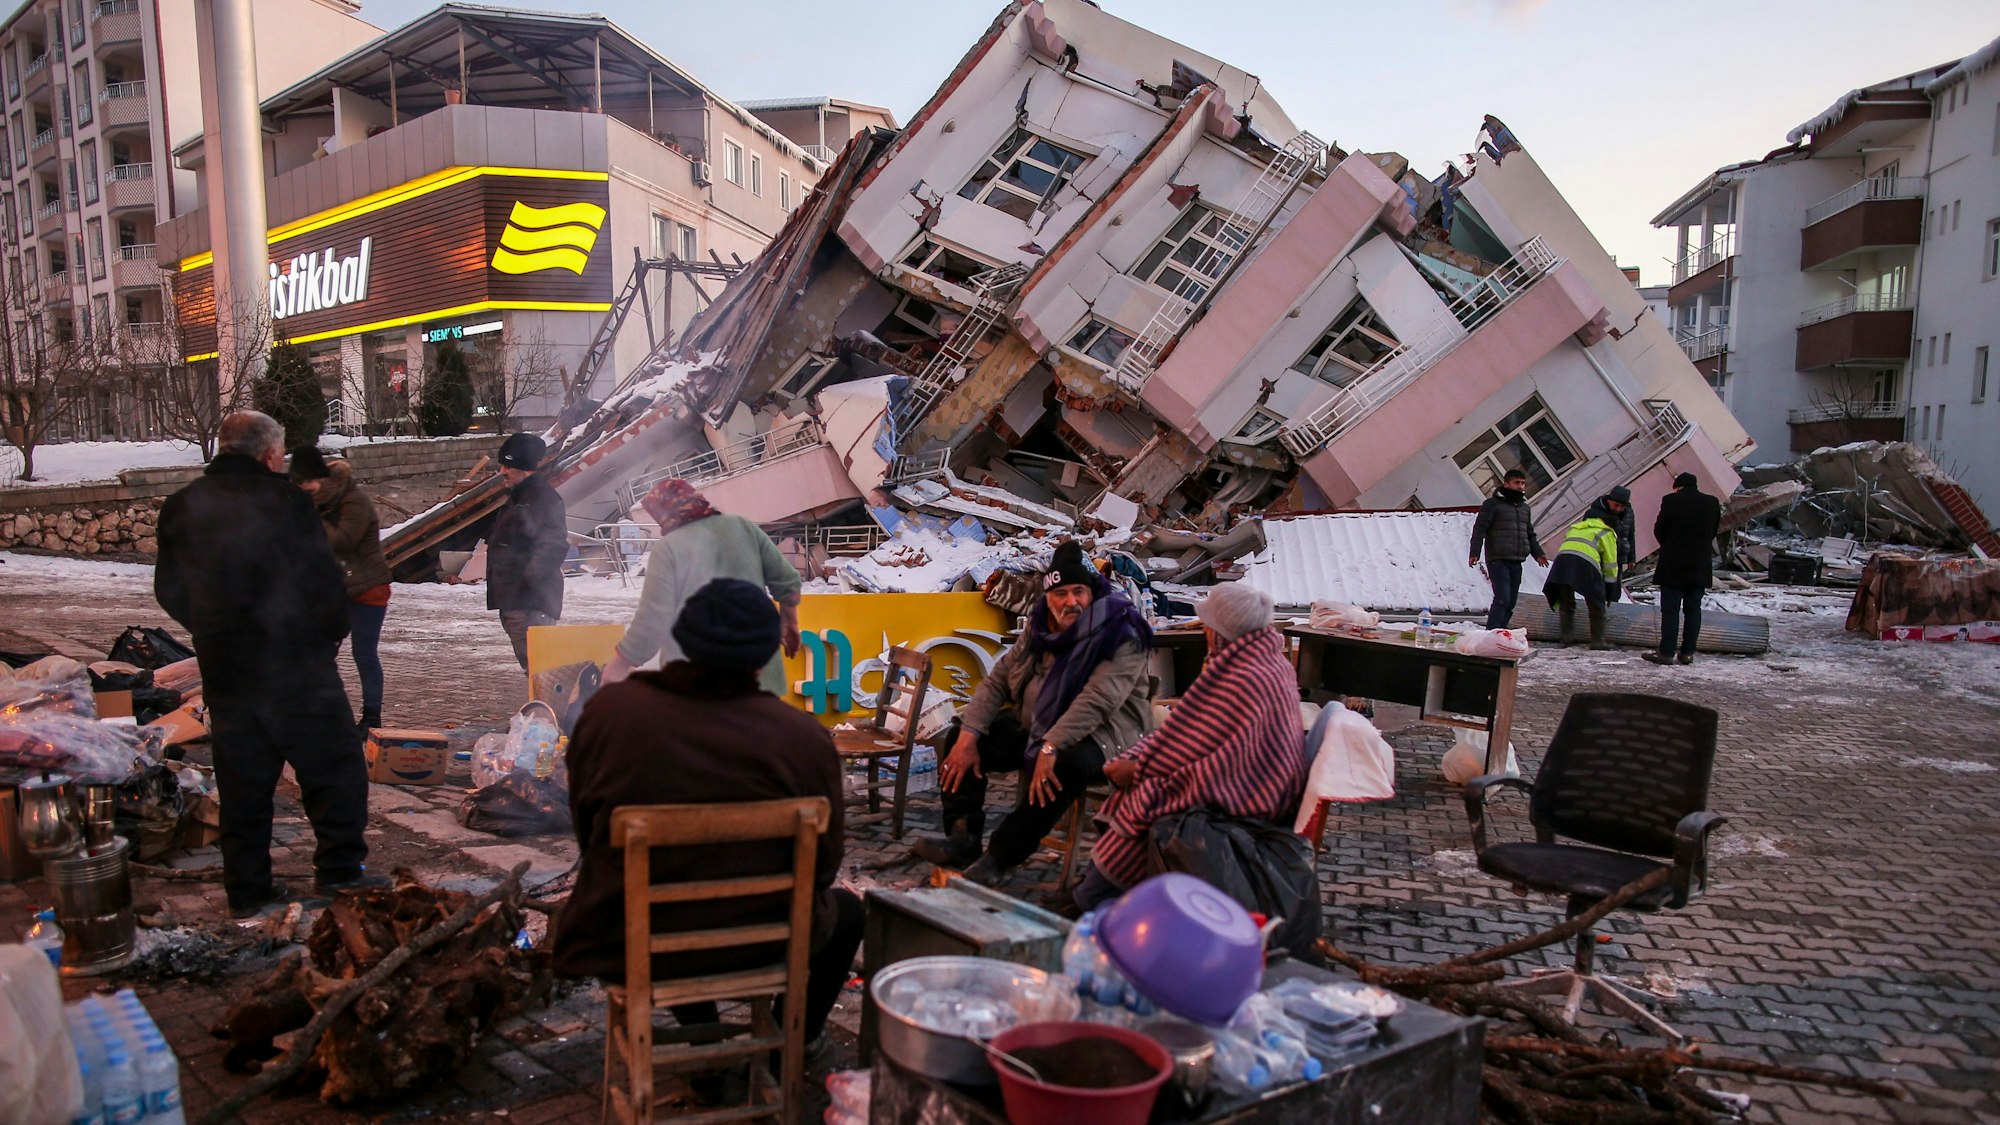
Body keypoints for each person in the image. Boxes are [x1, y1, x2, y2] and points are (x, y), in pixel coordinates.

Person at [553, 578, 861, 1055]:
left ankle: (703, 1039)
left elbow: (588, 832)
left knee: (652, 897)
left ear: (681, 640)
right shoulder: (803, 739)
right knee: (848, 914)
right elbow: (823, 867)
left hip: (630, 941)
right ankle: (789, 1047)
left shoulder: (611, 712)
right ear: (767, 654)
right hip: (765, 944)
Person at [155, 411, 380, 918]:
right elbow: (324, 581)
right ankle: (341, 873)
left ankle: (248, 889)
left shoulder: (182, 504)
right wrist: (324, 641)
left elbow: (168, 588)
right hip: (296, 661)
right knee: (334, 768)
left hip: (227, 666)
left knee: (243, 779)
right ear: (271, 454)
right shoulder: (287, 503)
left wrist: (210, 629)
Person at [913, 541, 1153, 886]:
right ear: (1049, 595)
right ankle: (962, 838)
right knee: (962, 736)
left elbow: (1098, 699)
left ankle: (1001, 856)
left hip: (1105, 735)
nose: (1070, 602)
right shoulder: (1041, 623)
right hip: (1041, 723)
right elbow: (998, 679)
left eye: (1078, 592)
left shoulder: (1120, 629)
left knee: (1063, 768)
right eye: (1061, 594)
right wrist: (970, 734)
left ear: (1092, 591)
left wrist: (1051, 745)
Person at [1074, 583, 1308, 911]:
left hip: (1252, 793)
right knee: (1144, 783)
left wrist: (1138, 768)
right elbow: (1191, 736)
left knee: (1148, 796)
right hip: (1257, 782)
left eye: (1209, 627)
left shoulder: (1242, 676)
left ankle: (1094, 897)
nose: (1205, 633)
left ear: (1222, 631)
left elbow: (1209, 754)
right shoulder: (1263, 660)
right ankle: (1101, 892)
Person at [601, 478, 803, 695]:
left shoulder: (668, 549)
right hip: (759, 678)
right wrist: (789, 622)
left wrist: (619, 664)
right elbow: (787, 580)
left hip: (698, 686)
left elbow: (654, 618)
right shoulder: (741, 526)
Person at [289, 447, 392, 730]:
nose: (303, 490)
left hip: (368, 589)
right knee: (320, 651)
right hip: (337, 589)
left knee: (364, 652)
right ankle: (317, 712)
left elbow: (343, 540)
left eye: (306, 484)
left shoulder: (353, 500)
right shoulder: (321, 503)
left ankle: (372, 718)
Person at [486, 432, 568, 669]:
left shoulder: (541, 499)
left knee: (542, 672)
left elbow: (554, 545)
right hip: (517, 603)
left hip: (530, 605)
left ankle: (553, 707)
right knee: (536, 673)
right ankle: (545, 706)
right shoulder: (521, 496)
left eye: (508, 465)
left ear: (525, 467)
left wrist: (526, 582)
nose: (502, 471)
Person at [1644, 473, 1723, 667]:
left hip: (1673, 564)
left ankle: (1666, 652)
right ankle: (1687, 653)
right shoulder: (1712, 503)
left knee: (1670, 610)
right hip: (1699, 565)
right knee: (1693, 610)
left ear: (1677, 487)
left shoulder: (1671, 500)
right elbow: (1713, 531)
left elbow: (1659, 529)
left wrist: (1670, 546)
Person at [1468, 468, 1548, 629]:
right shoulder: (1492, 505)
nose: (1520, 486)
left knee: (1511, 601)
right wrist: (1474, 552)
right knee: (1502, 598)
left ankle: (1501, 631)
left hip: (1517, 559)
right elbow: (1479, 529)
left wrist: (1538, 553)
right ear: (1506, 484)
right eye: (1516, 482)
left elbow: (1529, 534)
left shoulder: (1524, 508)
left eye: (1523, 483)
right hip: (1498, 559)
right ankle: (1492, 632)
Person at [1541, 499, 1621, 650]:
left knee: (1566, 599)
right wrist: (1608, 591)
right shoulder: (1607, 532)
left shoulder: (1575, 527)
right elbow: (1610, 566)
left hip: (1562, 562)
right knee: (1596, 601)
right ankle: (1598, 641)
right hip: (1586, 564)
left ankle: (1566, 638)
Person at [1600, 486, 1635, 602]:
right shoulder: (1598, 511)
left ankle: (1610, 614)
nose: (1619, 509)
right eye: (1616, 505)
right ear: (1609, 500)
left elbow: (1630, 535)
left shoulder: (1628, 513)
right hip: (1601, 557)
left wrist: (1631, 558)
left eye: (1622, 506)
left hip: (1618, 557)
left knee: (1614, 591)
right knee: (1600, 589)